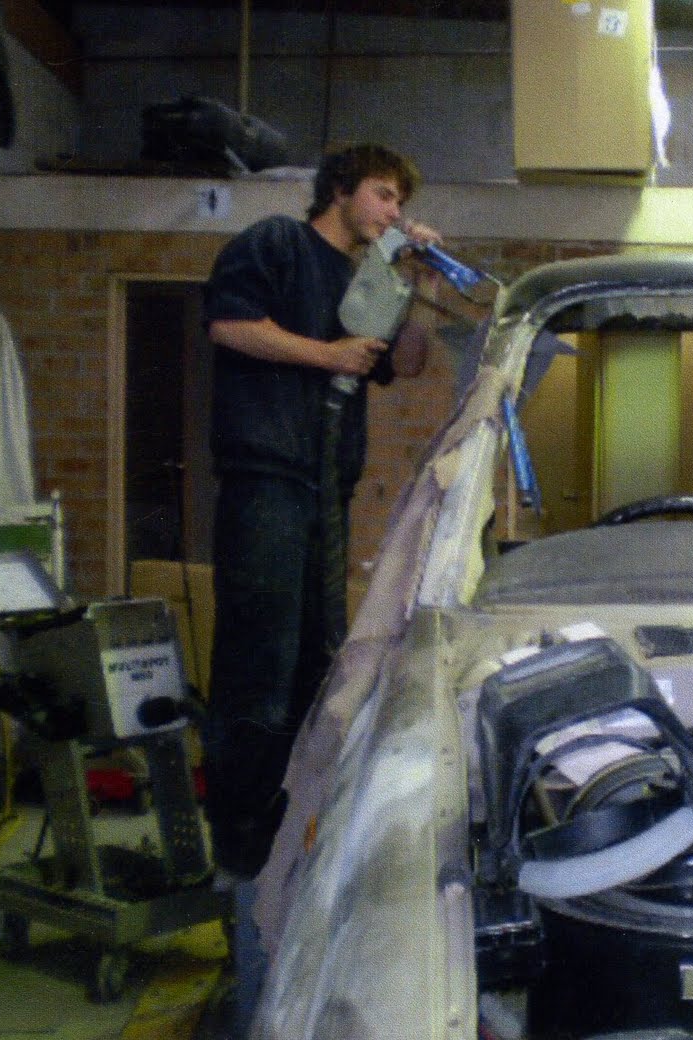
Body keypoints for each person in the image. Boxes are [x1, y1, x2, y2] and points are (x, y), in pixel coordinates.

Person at [201, 142, 438, 882]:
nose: (393, 211)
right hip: (266, 475)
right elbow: (230, 326)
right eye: (382, 194)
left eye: (400, 201)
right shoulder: (276, 242)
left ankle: (294, 823)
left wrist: (416, 279)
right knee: (259, 659)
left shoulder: (372, 278)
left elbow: (409, 363)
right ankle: (239, 838)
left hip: (324, 487)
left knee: (316, 658)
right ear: (339, 189)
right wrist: (327, 355)